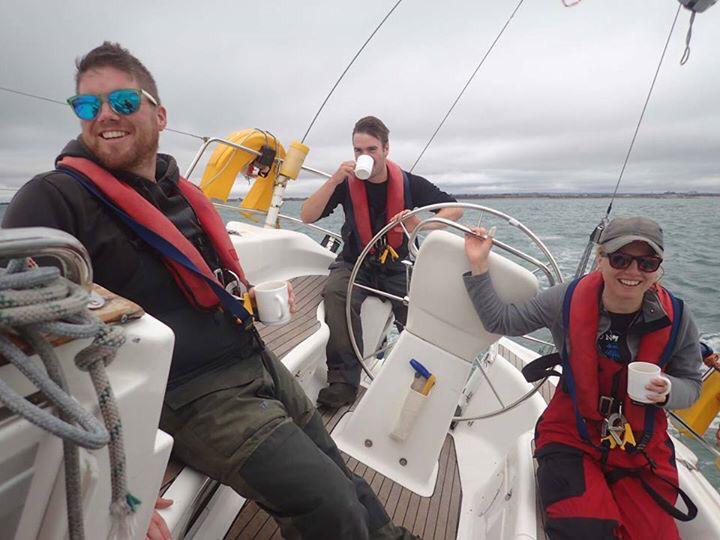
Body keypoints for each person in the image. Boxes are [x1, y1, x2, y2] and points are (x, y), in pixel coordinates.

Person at [3, 42, 416, 540]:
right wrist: (115, 469)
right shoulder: (53, 199)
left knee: (341, 472)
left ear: (159, 116)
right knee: (328, 507)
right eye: (88, 106)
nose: (105, 115)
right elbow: (23, 333)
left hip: (251, 356)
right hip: (192, 394)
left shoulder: (179, 192)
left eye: (124, 102)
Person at [463, 217, 702, 539]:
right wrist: (479, 267)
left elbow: (692, 383)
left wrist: (669, 390)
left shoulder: (679, 317)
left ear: (658, 268)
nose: (633, 272)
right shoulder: (564, 300)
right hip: (572, 432)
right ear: (600, 259)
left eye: (647, 262)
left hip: (638, 443)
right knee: (584, 529)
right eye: (620, 259)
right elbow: (501, 320)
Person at [300, 116, 463, 407]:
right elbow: (307, 216)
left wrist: (419, 225)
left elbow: (454, 210)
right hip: (355, 261)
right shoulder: (346, 184)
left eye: (371, 149)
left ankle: (433, 384)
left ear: (386, 149)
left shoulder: (410, 183)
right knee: (337, 293)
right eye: (358, 151)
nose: (364, 157)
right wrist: (334, 179)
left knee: (422, 309)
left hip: (398, 265)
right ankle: (343, 382)